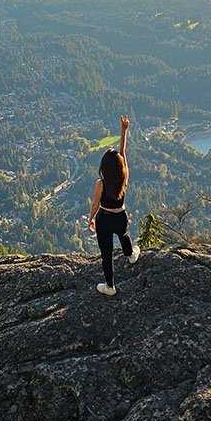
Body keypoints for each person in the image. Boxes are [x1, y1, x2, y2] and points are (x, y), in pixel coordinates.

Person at [88, 114, 140, 296]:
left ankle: (109, 286)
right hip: (120, 215)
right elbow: (122, 154)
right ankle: (131, 255)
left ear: (104, 167)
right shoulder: (124, 178)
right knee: (124, 234)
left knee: (106, 253)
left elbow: (95, 204)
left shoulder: (100, 183)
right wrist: (124, 131)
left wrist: (90, 219)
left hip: (104, 218)